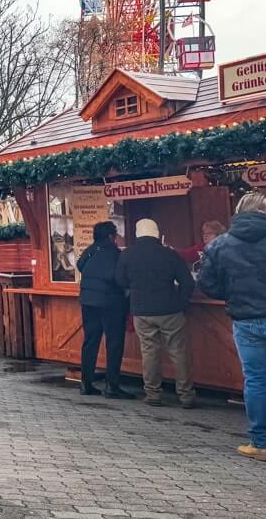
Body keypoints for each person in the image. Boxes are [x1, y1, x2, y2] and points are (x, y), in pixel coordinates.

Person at [198, 192, 266, 461]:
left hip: (245, 320)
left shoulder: (220, 244)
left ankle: (260, 443)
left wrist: (231, 295)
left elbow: (206, 283)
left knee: (257, 380)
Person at [116, 218, 196, 408]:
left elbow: (120, 280)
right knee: (179, 352)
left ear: (137, 234)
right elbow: (188, 282)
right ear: (157, 233)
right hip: (170, 309)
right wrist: (181, 302)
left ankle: (153, 394)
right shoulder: (169, 254)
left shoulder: (128, 254)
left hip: (142, 310)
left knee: (149, 352)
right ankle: (186, 396)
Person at [77, 222, 133, 398]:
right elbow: (121, 278)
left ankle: (86, 384)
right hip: (111, 303)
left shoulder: (91, 250)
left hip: (88, 302)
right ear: (111, 236)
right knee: (114, 343)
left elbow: (79, 265)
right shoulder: (116, 254)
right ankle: (112, 386)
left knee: (90, 342)